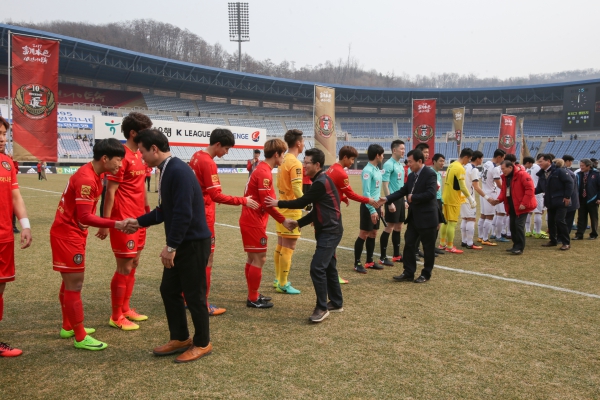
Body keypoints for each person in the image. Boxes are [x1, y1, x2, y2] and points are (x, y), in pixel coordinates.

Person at [127, 128, 213, 363]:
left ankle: (203, 343)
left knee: (194, 296)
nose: (141, 156)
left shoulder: (178, 170)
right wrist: (137, 222)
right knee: (169, 290)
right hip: (182, 242)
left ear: (154, 149)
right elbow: (165, 211)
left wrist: (171, 247)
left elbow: (184, 213)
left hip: (192, 243)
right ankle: (181, 338)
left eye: (142, 151)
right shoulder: (167, 170)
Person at [51, 138, 129, 351]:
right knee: (74, 285)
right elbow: (85, 216)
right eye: (118, 160)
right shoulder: (86, 178)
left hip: (71, 232)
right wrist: (116, 224)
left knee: (68, 282)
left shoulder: (96, 172)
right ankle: (79, 336)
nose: (120, 165)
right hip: (68, 235)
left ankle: (68, 326)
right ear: (105, 159)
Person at [265, 148, 343, 323]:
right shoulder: (320, 180)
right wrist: (299, 223)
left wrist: (278, 202)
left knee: (317, 267)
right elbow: (318, 210)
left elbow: (302, 202)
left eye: (307, 162)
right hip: (329, 230)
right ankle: (337, 302)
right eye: (304, 161)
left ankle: (322, 308)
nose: (304, 165)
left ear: (317, 165)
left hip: (330, 231)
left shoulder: (320, 182)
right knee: (329, 267)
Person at [189, 128, 259, 315]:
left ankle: (187, 296)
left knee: (193, 259)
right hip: (204, 217)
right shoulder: (208, 162)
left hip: (194, 213)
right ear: (217, 144)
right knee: (207, 259)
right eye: (226, 149)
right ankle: (203, 304)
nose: (226, 153)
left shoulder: (196, 156)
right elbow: (216, 195)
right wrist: (243, 200)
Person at [98, 112, 152, 332]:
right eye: (145, 132)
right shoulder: (120, 156)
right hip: (124, 220)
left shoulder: (140, 155)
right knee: (124, 266)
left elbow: (141, 187)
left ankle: (126, 308)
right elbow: (110, 193)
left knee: (134, 264)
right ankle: (116, 315)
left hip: (139, 219)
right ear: (133, 133)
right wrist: (105, 222)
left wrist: (147, 211)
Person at [239, 139, 293, 309]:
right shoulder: (264, 172)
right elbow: (267, 203)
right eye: (283, 154)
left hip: (252, 219)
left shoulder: (262, 169)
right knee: (260, 258)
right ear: (276, 154)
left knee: (252, 257)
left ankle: (252, 294)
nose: (283, 157)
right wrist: (283, 220)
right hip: (253, 221)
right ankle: (253, 298)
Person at [0, 116, 32, 357]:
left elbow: (15, 197)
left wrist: (26, 225)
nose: (2, 139)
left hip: (4, 237)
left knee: (1, 287)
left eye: (4, 134)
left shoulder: (7, 164)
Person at [382, 149, 439, 283]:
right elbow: (403, 191)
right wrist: (386, 199)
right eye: (407, 162)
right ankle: (408, 272)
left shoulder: (430, 174)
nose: (408, 164)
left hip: (427, 218)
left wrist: (413, 197)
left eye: (410, 162)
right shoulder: (412, 175)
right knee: (409, 244)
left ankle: (426, 274)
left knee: (428, 247)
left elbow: (431, 194)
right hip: (414, 217)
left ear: (420, 161)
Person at [325, 145, 379, 283]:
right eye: (352, 159)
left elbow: (331, 186)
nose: (352, 162)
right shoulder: (341, 172)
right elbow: (351, 194)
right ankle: (332, 275)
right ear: (345, 158)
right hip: (332, 211)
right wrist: (368, 200)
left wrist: (341, 197)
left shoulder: (332, 168)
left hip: (328, 208)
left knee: (330, 242)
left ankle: (331, 273)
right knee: (332, 242)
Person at [273, 129, 304, 294]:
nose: (304, 144)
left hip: (281, 207)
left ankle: (278, 279)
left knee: (280, 245)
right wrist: (308, 204)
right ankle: (283, 284)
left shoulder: (283, 160)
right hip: (291, 210)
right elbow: (297, 188)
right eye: (303, 141)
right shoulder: (295, 163)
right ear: (298, 143)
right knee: (289, 247)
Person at [491, 160, 536, 255]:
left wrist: (524, 203)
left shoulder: (523, 175)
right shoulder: (505, 177)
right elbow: (504, 191)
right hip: (512, 206)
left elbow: (530, 189)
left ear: (510, 167)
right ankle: (515, 245)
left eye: (503, 169)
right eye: (501, 169)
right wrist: (498, 200)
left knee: (519, 226)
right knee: (512, 226)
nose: (502, 171)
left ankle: (520, 247)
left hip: (522, 206)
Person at [354, 144, 384, 273]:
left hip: (376, 205)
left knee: (374, 233)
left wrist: (380, 206)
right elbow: (366, 193)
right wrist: (372, 210)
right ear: (377, 155)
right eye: (382, 154)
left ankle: (370, 261)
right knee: (364, 233)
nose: (383, 157)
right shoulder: (367, 170)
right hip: (368, 206)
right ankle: (357, 263)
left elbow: (376, 190)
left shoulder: (377, 169)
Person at [440, 148, 476, 254]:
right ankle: (450, 246)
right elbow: (462, 186)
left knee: (445, 222)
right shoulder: (460, 168)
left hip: (446, 196)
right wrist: (470, 199)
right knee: (452, 223)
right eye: (468, 159)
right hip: (453, 198)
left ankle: (442, 244)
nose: (468, 162)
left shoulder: (451, 165)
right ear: (465, 157)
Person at [536, 154, 573, 250]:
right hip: (549, 201)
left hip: (561, 200)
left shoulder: (559, 171)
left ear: (548, 161)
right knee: (551, 222)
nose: (539, 163)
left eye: (541, 161)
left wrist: (567, 196)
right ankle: (553, 240)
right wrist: (526, 191)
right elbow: (539, 188)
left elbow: (569, 183)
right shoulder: (542, 174)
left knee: (560, 220)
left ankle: (566, 242)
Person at [380, 140, 406, 266]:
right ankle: (383, 257)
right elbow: (385, 184)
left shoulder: (400, 164)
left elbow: (402, 185)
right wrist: (389, 201)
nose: (403, 151)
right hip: (392, 199)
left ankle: (396, 255)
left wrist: (405, 199)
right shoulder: (388, 165)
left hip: (401, 199)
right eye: (401, 148)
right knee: (389, 227)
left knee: (399, 226)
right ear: (394, 150)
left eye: (404, 148)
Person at [478, 149, 505, 245]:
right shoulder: (495, 168)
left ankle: (480, 236)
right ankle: (485, 239)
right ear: (499, 157)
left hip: (484, 192)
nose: (502, 160)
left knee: (483, 215)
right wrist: (506, 189)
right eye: (503, 158)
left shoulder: (486, 163)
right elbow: (498, 184)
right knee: (489, 216)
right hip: (491, 193)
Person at [461, 150, 485, 250]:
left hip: (462, 196)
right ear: (478, 158)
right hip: (469, 197)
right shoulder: (474, 169)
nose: (482, 160)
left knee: (465, 218)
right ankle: (470, 243)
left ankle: (464, 241)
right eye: (482, 158)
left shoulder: (464, 167)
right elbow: (476, 186)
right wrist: (487, 197)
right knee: (471, 219)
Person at [573, 158, 600, 240]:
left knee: (593, 217)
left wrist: (599, 198)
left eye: (583, 166)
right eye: (580, 165)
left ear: (589, 166)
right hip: (581, 199)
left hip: (593, 199)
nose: (581, 167)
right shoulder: (579, 174)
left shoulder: (597, 174)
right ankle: (579, 234)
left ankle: (593, 234)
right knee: (581, 218)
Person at [523, 155, 546, 238]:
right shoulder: (537, 167)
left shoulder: (527, 169)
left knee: (529, 212)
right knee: (538, 212)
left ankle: (528, 231)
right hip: (537, 192)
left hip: (528, 192)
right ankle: (537, 232)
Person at [431, 153, 446, 255]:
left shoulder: (438, 174)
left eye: (443, 161)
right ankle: (429, 247)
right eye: (440, 161)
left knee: (438, 225)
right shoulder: (430, 173)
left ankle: (433, 246)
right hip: (433, 200)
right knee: (433, 225)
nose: (442, 163)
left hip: (439, 200)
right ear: (434, 161)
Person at [562, 155, 578, 231]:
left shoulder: (569, 172)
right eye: (571, 161)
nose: (571, 163)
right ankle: (563, 236)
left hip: (568, 198)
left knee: (565, 219)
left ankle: (563, 236)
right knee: (567, 219)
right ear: (567, 161)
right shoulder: (569, 173)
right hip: (569, 198)